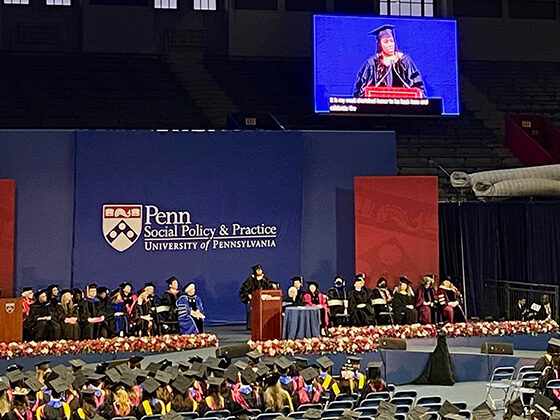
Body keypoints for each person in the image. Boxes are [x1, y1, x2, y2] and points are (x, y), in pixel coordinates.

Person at [353, 24, 424, 98]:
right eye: (386, 42)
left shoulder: (405, 61)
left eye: (391, 41)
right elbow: (361, 90)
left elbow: (417, 87)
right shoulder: (372, 63)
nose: (390, 44)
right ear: (380, 44)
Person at [239, 264, 275, 329]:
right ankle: (251, 326)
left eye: (260, 270)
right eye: (258, 270)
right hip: (252, 299)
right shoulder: (250, 279)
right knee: (250, 310)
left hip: (262, 299)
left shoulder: (264, 279)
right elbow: (244, 289)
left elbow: (269, 286)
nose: (260, 271)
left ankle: (264, 324)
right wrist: (248, 295)